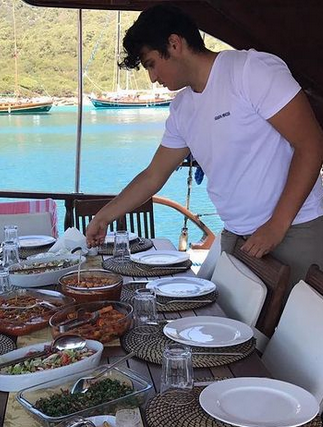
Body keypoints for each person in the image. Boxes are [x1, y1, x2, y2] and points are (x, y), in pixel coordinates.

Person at [85, 5, 323, 288]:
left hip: (296, 227)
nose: (152, 77)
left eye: (151, 64)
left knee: (297, 318)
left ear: (174, 44)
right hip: (238, 235)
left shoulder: (249, 71)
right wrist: (105, 216)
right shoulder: (182, 108)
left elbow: (311, 144)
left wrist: (276, 226)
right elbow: (153, 175)